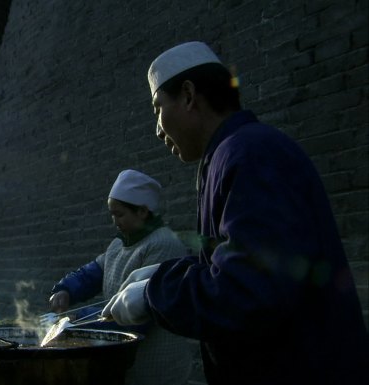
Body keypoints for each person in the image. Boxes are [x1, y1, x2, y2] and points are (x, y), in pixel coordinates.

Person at [102, 41, 369, 385]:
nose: (157, 129)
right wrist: (174, 272)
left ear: (187, 95)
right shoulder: (230, 154)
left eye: (157, 108)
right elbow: (234, 264)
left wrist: (156, 292)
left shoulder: (252, 154)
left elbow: (247, 291)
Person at [49, 169, 194, 385]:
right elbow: (94, 272)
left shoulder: (163, 245)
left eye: (119, 214)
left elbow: (137, 313)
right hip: (124, 354)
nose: (114, 221)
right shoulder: (120, 243)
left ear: (143, 211)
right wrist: (66, 289)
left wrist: (78, 320)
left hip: (156, 361)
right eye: (112, 214)